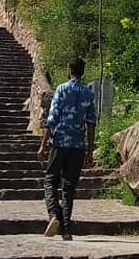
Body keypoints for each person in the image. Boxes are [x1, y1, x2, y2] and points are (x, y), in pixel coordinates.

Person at [37, 58, 97, 241]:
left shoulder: (62, 90)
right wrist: (90, 150)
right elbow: (91, 123)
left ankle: (54, 215)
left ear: (70, 70)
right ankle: (66, 230)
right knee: (69, 187)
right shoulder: (88, 94)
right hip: (78, 146)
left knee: (50, 180)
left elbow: (52, 118)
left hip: (60, 143)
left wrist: (42, 145)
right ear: (82, 72)